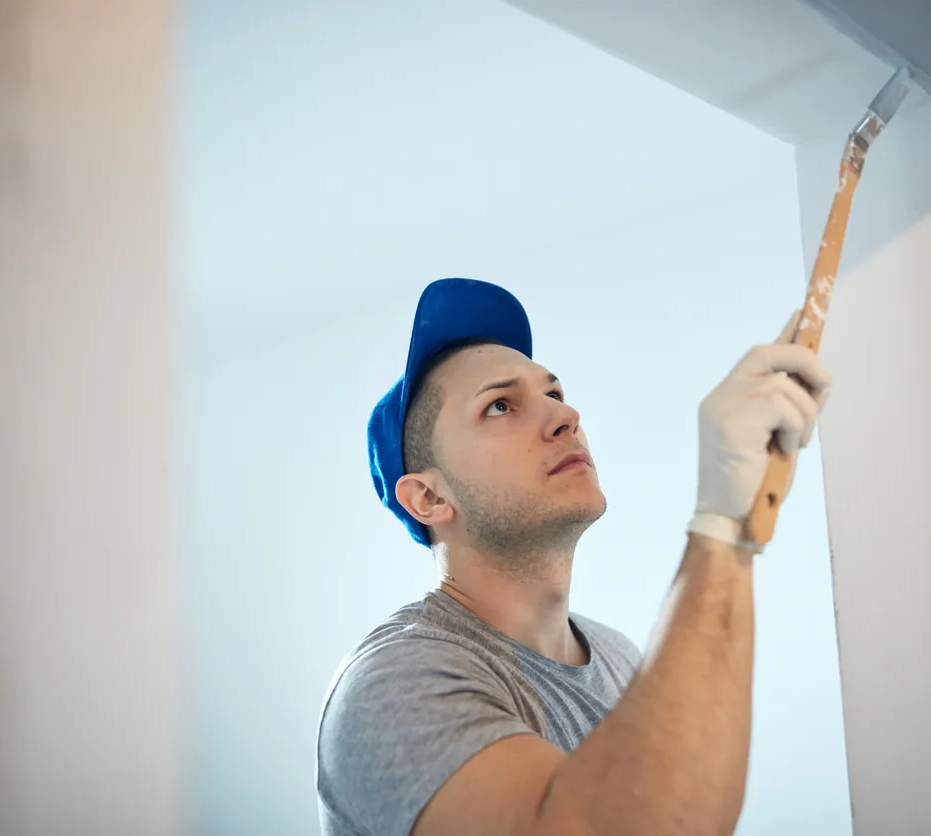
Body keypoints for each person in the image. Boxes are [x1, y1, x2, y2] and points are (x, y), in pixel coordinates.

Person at [316, 277, 832, 836]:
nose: (566, 417)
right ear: (431, 498)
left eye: (555, 394)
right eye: (499, 406)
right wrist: (723, 528)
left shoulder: (618, 657)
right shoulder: (393, 684)